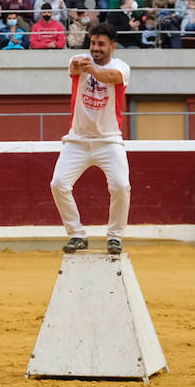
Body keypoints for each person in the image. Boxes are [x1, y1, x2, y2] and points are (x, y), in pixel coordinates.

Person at [51, 23, 130, 254]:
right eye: (93, 43)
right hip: (77, 140)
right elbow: (75, 67)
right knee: (58, 184)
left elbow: (113, 77)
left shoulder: (121, 67)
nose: (95, 48)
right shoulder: (79, 59)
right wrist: (82, 65)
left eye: (101, 44)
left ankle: (115, 236)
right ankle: (76, 234)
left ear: (112, 47)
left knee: (121, 186)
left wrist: (93, 71)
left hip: (109, 140)